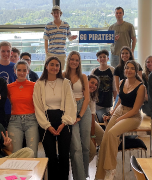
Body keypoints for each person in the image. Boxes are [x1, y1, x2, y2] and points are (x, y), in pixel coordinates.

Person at [95, 60, 145, 180]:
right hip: (119, 111)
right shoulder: (122, 82)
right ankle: (100, 176)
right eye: (127, 68)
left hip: (132, 116)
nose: (129, 70)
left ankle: (111, 169)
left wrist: (120, 118)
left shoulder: (141, 86)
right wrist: (112, 113)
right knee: (105, 139)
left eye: (132, 68)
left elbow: (135, 110)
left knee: (112, 133)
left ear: (136, 71)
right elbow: (119, 101)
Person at [33, 56, 76, 180]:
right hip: (46, 121)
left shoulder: (65, 83)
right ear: (46, 66)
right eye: (52, 64)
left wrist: (64, 123)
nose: (54, 67)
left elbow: (70, 104)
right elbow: (38, 107)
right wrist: (48, 126)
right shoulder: (39, 84)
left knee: (64, 155)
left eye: (57, 65)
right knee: (50, 156)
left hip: (64, 120)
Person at [63, 51, 91, 180]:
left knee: (85, 146)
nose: (74, 62)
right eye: (72, 59)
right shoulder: (63, 76)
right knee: (76, 148)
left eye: (77, 60)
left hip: (83, 110)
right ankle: (79, 177)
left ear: (79, 62)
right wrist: (71, 115)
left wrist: (80, 115)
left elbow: (87, 98)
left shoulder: (83, 76)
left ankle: (84, 175)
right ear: (68, 61)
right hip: (70, 110)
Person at [7, 60, 39, 157]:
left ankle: (32, 172)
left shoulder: (34, 86)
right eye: (19, 70)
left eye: (24, 70)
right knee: (16, 154)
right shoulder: (9, 87)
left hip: (32, 120)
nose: (21, 73)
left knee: (32, 153)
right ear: (15, 71)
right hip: (14, 121)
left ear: (28, 71)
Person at [43, 5, 77, 70]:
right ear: (52, 14)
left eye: (57, 13)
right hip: (51, 53)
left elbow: (69, 37)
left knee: (60, 73)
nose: (56, 14)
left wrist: (72, 37)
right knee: (48, 71)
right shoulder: (48, 25)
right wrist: (46, 52)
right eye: (54, 13)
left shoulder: (66, 25)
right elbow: (46, 39)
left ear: (60, 13)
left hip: (62, 53)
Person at [0, 41, 17, 123]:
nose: (6, 53)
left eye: (8, 51)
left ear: (11, 53)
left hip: (12, 106)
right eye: (3, 51)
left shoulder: (15, 67)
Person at [87, 75, 105, 163]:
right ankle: (80, 172)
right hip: (79, 125)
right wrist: (92, 137)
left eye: (96, 85)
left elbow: (92, 116)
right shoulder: (79, 95)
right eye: (92, 83)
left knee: (105, 141)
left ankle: (101, 167)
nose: (94, 86)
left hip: (90, 122)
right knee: (92, 151)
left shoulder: (92, 96)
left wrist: (93, 136)